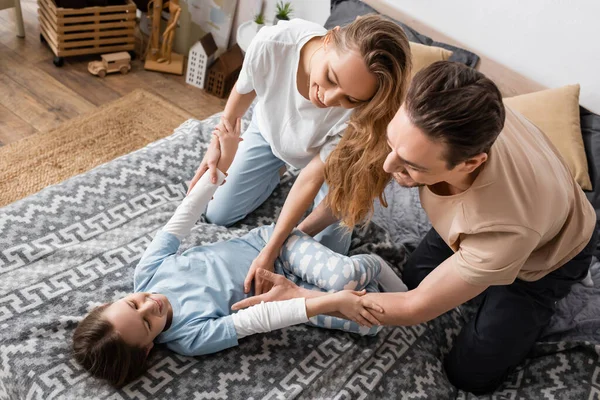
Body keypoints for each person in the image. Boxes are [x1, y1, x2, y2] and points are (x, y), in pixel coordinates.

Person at [233, 61, 598, 395]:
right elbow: (358, 187)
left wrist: (303, 301)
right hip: (488, 216)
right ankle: (477, 276)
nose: (389, 167)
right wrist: (294, 236)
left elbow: (413, 307)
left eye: (411, 166)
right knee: (409, 276)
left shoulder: (503, 227)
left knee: (470, 374)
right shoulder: (434, 113)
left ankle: (522, 299)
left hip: (550, 254)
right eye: (392, 145)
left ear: (470, 163)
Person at [72, 118, 407, 387]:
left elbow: (181, 221)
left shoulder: (147, 273)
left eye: (133, 302)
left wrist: (217, 176)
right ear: (147, 350)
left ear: (109, 302)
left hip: (277, 249)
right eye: (147, 322)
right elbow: (257, 320)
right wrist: (330, 304)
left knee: (345, 276)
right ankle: (332, 234)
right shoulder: (191, 337)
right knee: (370, 324)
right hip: (282, 295)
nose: (150, 305)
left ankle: (373, 264)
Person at [186, 15, 412, 296]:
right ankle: (277, 170)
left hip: (330, 166)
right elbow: (242, 92)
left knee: (324, 254)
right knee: (218, 214)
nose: (329, 99)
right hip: (270, 134)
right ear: (330, 39)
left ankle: (288, 186)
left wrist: (277, 244)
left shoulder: (365, 112)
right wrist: (217, 145)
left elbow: (311, 178)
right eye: (331, 78)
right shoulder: (273, 43)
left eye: (350, 99)